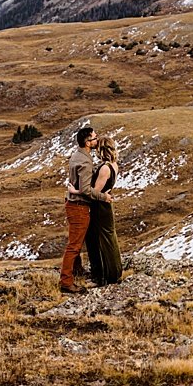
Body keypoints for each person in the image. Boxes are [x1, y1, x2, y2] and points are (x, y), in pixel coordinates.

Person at [59, 126, 98, 293]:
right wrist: (105, 197)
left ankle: (76, 270)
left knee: (75, 242)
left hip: (72, 203)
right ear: (87, 142)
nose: (97, 140)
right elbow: (86, 190)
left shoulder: (77, 155)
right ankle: (66, 282)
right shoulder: (84, 161)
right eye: (94, 138)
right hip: (79, 206)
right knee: (74, 245)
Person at [81, 139, 123, 285]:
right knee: (108, 238)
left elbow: (95, 192)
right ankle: (114, 272)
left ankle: (101, 276)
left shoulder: (105, 168)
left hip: (99, 207)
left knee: (97, 240)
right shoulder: (114, 165)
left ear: (101, 150)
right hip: (105, 206)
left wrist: (77, 190)